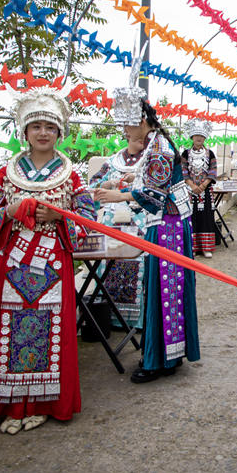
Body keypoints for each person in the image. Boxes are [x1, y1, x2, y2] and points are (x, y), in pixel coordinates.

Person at [0, 88, 96, 434]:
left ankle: (42, 404)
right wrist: (10, 211)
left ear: (60, 133)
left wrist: (59, 217)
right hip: (14, 264)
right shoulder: (5, 173)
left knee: (51, 333)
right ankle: (13, 405)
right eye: (36, 126)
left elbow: (88, 216)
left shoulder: (72, 175)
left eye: (50, 127)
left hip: (53, 263)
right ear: (24, 132)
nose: (43, 132)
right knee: (10, 332)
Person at [94, 79, 200, 384]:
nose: (125, 132)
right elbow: (152, 184)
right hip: (166, 222)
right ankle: (166, 356)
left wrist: (118, 196)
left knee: (164, 292)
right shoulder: (156, 144)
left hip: (167, 225)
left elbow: (154, 194)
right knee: (164, 291)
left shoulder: (160, 147)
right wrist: (128, 181)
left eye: (128, 126)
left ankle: (158, 361)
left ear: (142, 121)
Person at [88, 130, 149, 329]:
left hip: (139, 221)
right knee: (108, 265)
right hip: (112, 222)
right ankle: (109, 316)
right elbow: (93, 186)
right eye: (136, 133)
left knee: (138, 263)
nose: (142, 138)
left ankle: (135, 320)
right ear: (127, 134)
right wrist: (107, 183)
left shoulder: (150, 161)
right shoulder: (112, 162)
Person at [181, 119, 218, 258]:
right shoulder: (185, 154)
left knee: (206, 217)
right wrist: (192, 185)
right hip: (189, 191)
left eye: (201, 136)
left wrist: (203, 185)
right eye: (196, 136)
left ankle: (206, 247)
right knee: (191, 217)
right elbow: (183, 171)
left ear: (204, 138)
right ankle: (193, 247)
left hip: (205, 191)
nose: (199, 138)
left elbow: (213, 170)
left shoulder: (210, 154)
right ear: (192, 137)